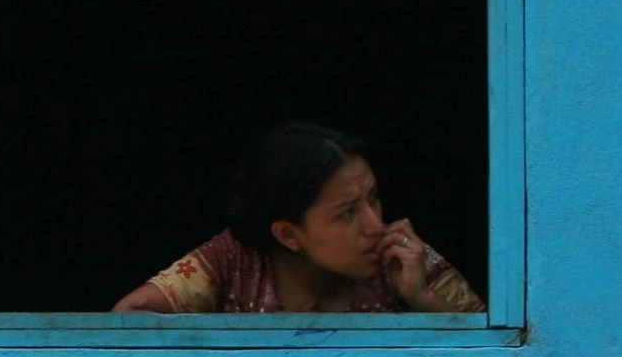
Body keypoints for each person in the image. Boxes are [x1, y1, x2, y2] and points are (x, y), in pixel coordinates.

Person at [112, 123, 485, 314]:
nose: (374, 224)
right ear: (289, 235)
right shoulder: (234, 261)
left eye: (373, 198)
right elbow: (130, 315)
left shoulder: (404, 259)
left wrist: (421, 297)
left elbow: (500, 349)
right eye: (347, 213)